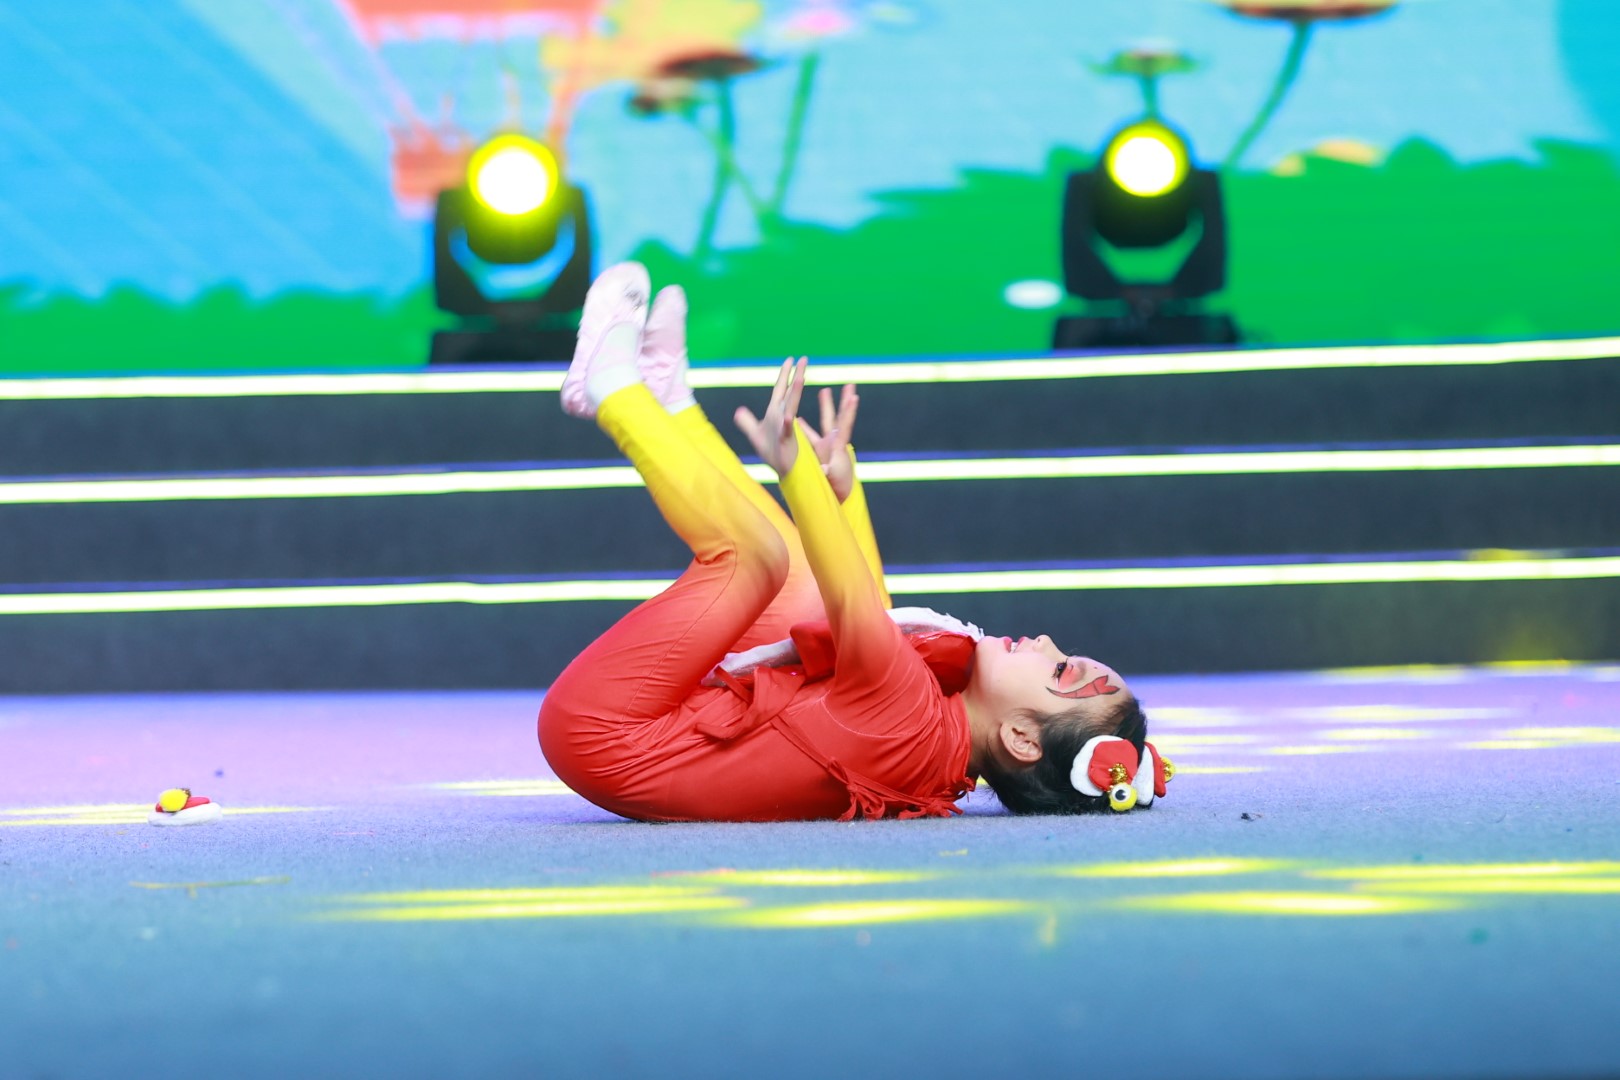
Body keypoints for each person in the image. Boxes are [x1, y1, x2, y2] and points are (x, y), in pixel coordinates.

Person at [537, 263, 1170, 821]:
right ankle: (670, 403)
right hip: (650, 730)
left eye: (1059, 670)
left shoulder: (910, 717)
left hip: (602, 731)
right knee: (801, 591)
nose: (1047, 642)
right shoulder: (941, 743)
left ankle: (615, 393)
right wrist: (843, 491)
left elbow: (860, 610)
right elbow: (871, 615)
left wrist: (799, 472)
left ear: (1022, 740)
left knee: (756, 558)